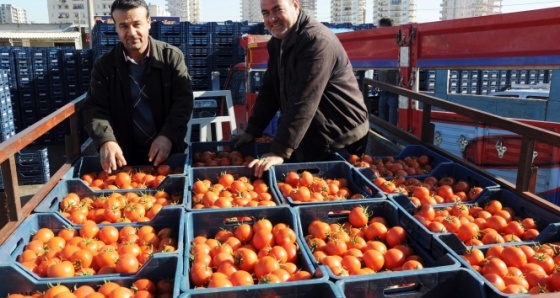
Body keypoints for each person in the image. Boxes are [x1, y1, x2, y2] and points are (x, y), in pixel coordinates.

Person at [234, 0, 369, 177]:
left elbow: (304, 98)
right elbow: (270, 90)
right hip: (314, 129)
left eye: (277, 10)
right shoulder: (277, 42)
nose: (272, 18)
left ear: (295, 6)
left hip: (340, 135)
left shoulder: (316, 41)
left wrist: (280, 150)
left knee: (327, 195)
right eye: (265, 13)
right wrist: (253, 129)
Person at [83, 0, 194, 173]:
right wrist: (106, 140)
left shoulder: (171, 58)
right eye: (124, 26)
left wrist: (168, 135)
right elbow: (95, 108)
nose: (131, 33)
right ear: (116, 27)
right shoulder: (105, 66)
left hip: (167, 153)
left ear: (149, 22)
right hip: (123, 158)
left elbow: (183, 101)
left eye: (137, 24)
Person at [376, 17, 400, 126]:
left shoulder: (397, 44)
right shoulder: (379, 46)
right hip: (382, 91)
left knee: (392, 123)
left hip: (394, 92)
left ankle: (392, 142)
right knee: (382, 122)